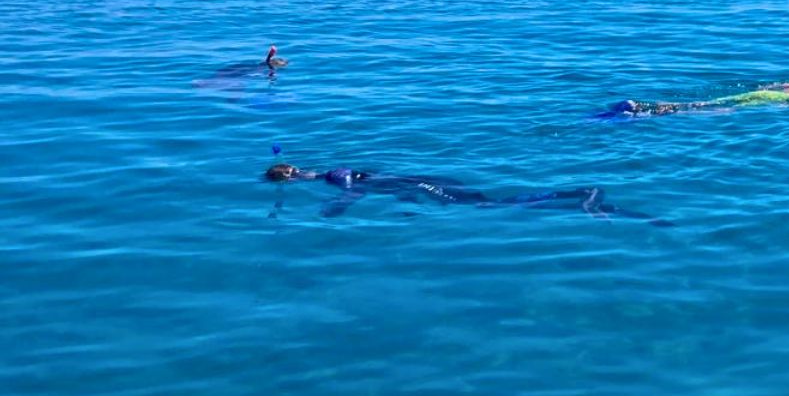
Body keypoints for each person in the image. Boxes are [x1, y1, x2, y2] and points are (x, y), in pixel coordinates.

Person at [264, 151, 660, 220]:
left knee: (491, 206)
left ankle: (577, 194)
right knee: (486, 202)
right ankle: (574, 195)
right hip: (424, 183)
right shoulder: (336, 169)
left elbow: (356, 189)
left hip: (426, 185)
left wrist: (336, 208)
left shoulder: (334, 177)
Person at [602, 62, 789, 117]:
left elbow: (771, 86)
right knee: (719, 110)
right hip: (777, 99)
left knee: (714, 102)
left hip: (769, 92)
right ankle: (653, 113)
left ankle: (648, 105)